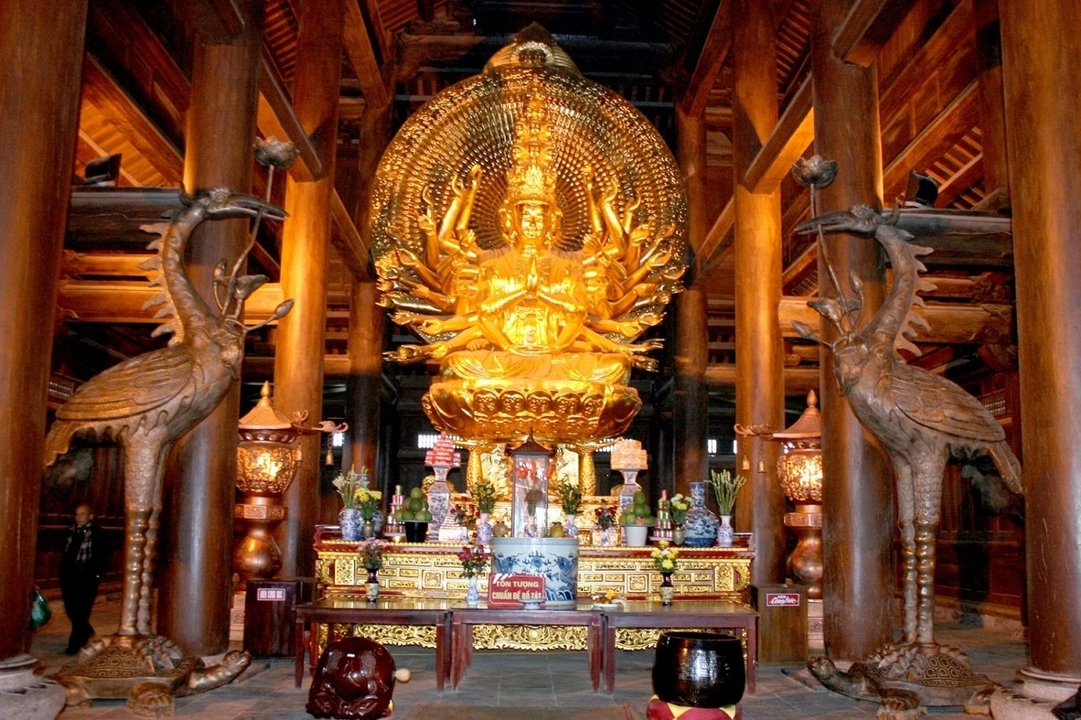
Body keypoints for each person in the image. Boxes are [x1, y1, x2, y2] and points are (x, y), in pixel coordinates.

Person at [59, 504, 105, 654]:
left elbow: (102, 556)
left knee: (82, 610)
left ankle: (75, 645)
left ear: (90, 516)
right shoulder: (70, 532)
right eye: (77, 514)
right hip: (69, 576)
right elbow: (65, 553)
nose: (79, 517)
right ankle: (87, 631)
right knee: (71, 609)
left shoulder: (97, 533)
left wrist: (97, 574)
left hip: (87, 577)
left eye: (82, 514)